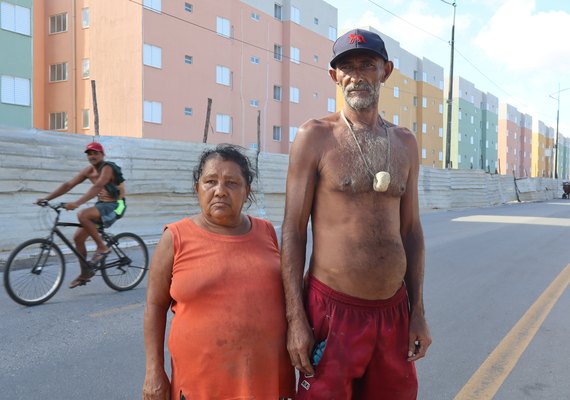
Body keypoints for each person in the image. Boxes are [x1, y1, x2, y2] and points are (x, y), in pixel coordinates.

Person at [281, 28, 432, 399]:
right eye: (346, 67)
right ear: (334, 76)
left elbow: (411, 232)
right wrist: (295, 318)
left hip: (393, 313)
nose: (357, 74)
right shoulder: (314, 137)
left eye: (367, 64)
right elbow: (293, 231)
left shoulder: (405, 143)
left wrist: (417, 310)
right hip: (332, 313)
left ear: (386, 71)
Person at [142, 144, 295, 400]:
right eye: (210, 181)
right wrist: (153, 372)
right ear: (197, 188)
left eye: (232, 183)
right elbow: (155, 306)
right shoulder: (175, 238)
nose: (220, 191)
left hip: (264, 381)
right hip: (200, 385)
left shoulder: (266, 232)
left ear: (247, 191)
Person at [36, 141, 126, 288]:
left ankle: (102, 247)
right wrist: (47, 198)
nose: (92, 156)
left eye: (95, 153)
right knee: (78, 238)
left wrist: (77, 203)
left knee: (83, 215)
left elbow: (98, 186)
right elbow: (68, 185)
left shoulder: (108, 167)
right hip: (102, 205)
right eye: (89, 154)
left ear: (102, 154)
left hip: (116, 205)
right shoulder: (88, 171)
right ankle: (85, 274)